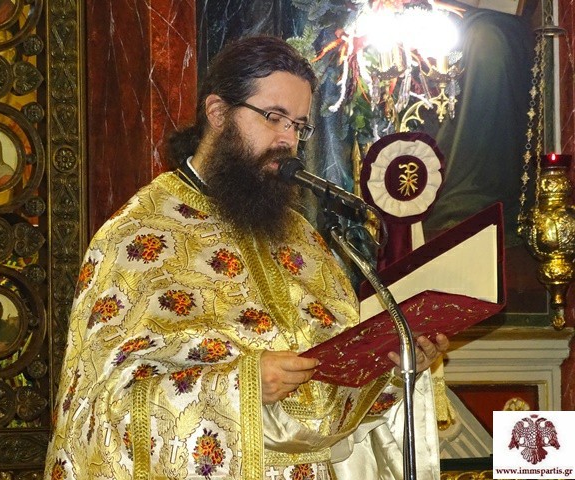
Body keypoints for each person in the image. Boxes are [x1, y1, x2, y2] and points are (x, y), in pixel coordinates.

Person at [44, 35, 449, 479]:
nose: (288, 140)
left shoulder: (301, 238)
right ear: (218, 113)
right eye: (274, 117)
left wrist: (395, 367)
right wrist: (240, 387)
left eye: (299, 125)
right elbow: (97, 411)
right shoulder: (136, 237)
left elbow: (332, 401)